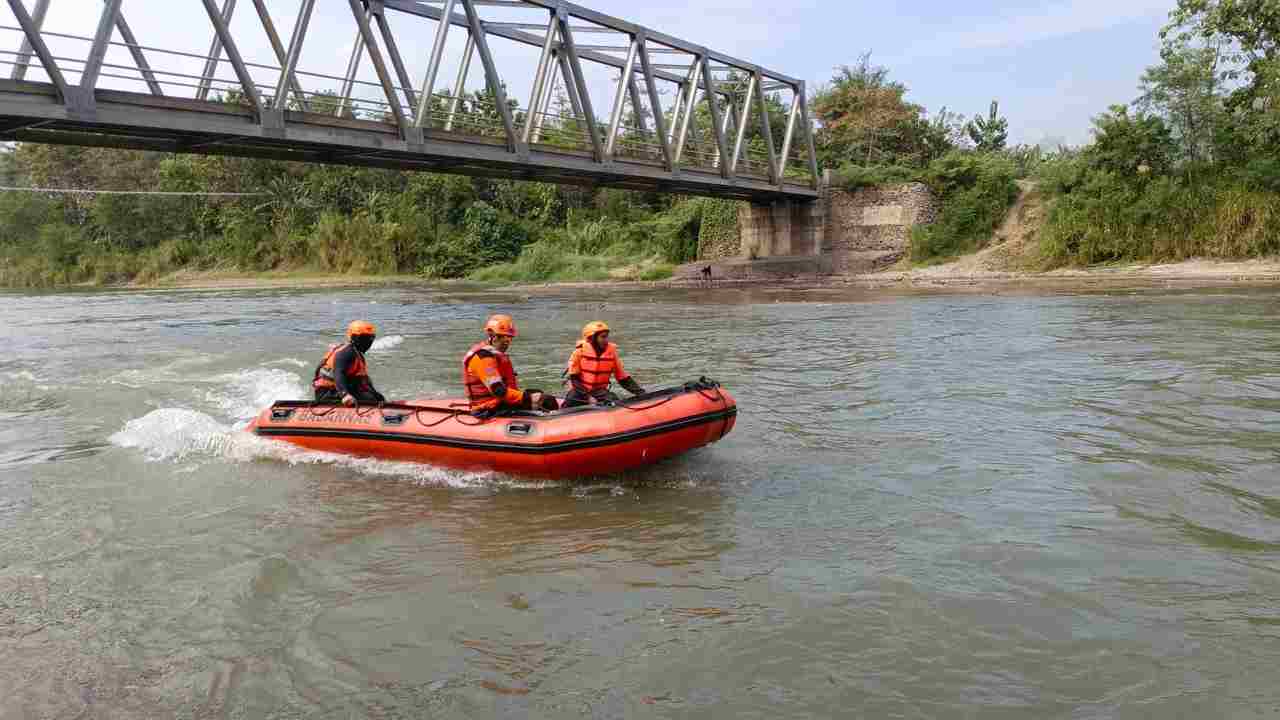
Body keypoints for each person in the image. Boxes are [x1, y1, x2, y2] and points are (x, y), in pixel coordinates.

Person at [462, 314, 559, 418]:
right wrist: (528, 398)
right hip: (488, 409)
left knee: (546, 399)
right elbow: (498, 391)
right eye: (504, 338)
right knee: (543, 405)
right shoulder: (483, 358)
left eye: (509, 338)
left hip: (500, 403)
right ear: (493, 336)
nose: (507, 342)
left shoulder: (494, 354)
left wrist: (530, 396)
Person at [562, 321, 645, 409]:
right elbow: (574, 380)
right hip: (580, 391)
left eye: (606, 337)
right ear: (591, 338)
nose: (606, 340)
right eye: (603, 337)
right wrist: (588, 397)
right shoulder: (578, 353)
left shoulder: (611, 353)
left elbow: (622, 378)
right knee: (571, 400)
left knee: (614, 401)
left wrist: (641, 393)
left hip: (599, 391)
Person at [313, 320, 387, 406]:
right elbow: (338, 373)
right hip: (327, 393)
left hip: (337, 391)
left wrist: (376, 394)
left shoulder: (357, 354)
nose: (367, 342)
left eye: (370, 338)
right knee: (369, 399)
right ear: (353, 337)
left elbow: (363, 380)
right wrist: (345, 395)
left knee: (376, 397)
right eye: (363, 338)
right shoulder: (347, 352)